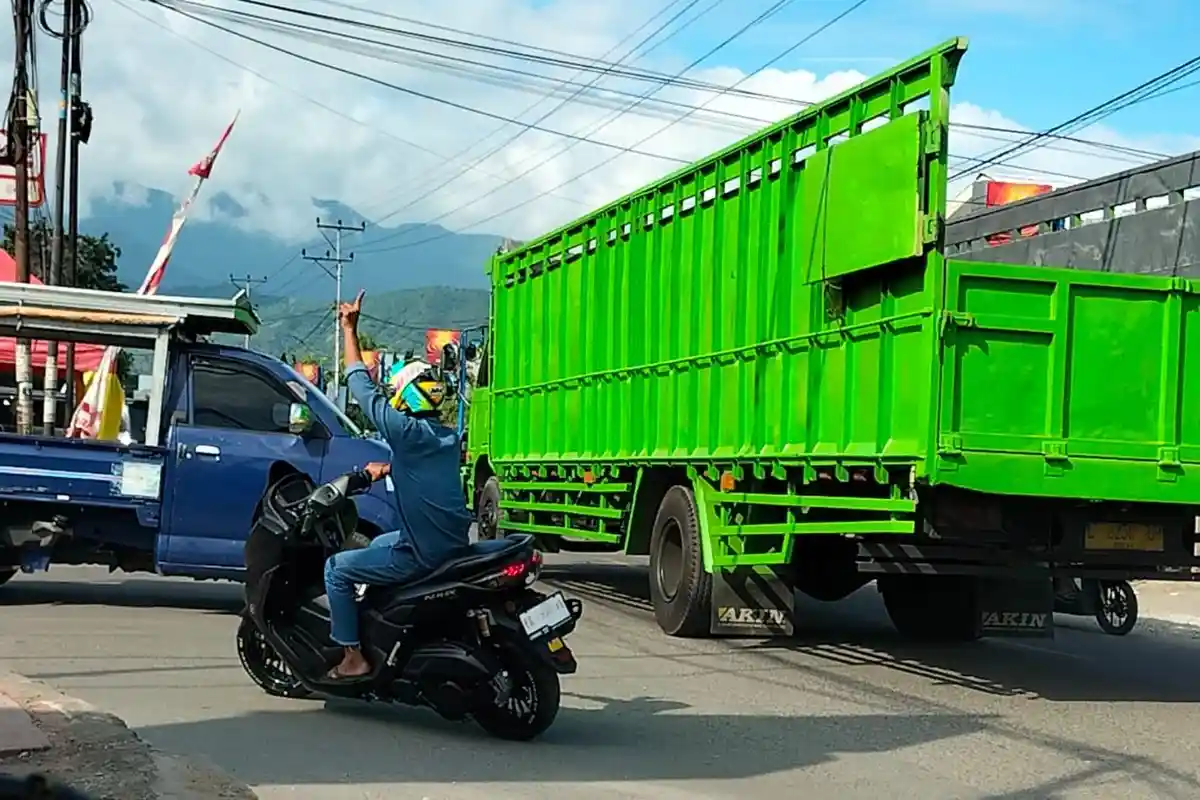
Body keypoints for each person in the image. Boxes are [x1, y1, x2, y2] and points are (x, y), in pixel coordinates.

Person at [324, 289, 473, 680]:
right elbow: (424, 467)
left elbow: (360, 385)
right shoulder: (444, 436)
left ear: (405, 396)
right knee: (377, 544)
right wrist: (389, 469)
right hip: (452, 544)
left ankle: (353, 657)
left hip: (423, 553)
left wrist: (349, 329)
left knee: (336, 570)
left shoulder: (404, 431)